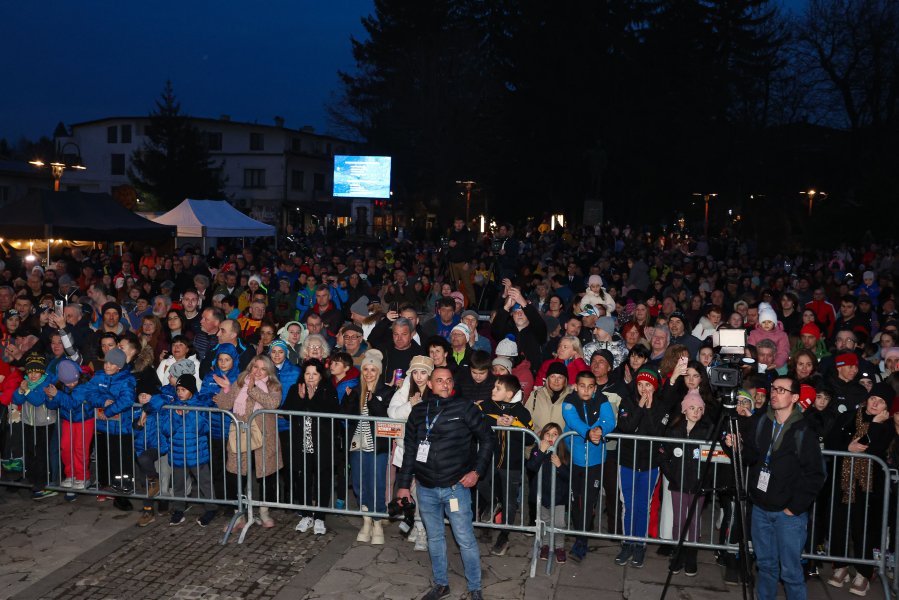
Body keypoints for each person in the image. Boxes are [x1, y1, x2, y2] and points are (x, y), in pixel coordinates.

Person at [396, 367, 494, 600]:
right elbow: (410, 451)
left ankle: (475, 588)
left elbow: (488, 438)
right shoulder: (419, 412)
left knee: (465, 539)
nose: (445, 384)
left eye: (449, 380)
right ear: (429, 384)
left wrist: (476, 472)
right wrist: (402, 485)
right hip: (425, 487)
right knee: (435, 538)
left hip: (455, 488)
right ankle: (441, 584)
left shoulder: (465, 408)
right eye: (439, 380)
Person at [726, 375, 826, 600]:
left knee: (791, 573)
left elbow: (816, 475)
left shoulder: (803, 431)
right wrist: (738, 447)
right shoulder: (763, 422)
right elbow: (752, 456)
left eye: (781, 390)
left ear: (795, 397)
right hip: (761, 509)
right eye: (773, 388)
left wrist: (794, 508)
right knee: (765, 567)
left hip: (788, 516)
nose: (774, 393)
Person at [826, 382, 894, 595]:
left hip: (869, 486)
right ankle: (840, 566)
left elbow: (872, 447)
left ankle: (864, 572)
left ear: (887, 408)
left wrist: (873, 424)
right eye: (873, 398)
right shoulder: (848, 417)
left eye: (881, 401)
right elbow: (831, 440)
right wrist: (847, 447)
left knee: (864, 528)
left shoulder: (887, 425)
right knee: (839, 524)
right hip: (843, 483)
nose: (875, 403)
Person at [212, 356, 284, 529]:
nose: (257, 372)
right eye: (254, 367)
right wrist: (227, 389)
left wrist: (252, 389)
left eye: (262, 369)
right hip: (240, 435)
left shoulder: (273, 386)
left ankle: (264, 511)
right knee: (236, 474)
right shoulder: (240, 383)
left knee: (266, 475)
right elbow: (222, 405)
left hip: (265, 438)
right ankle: (239, 513)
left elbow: (272, 403)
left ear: (269, 372)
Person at [562, 370, 617, 563]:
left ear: (595, 388)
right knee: (575, 500)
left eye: (590, 386)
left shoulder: (602, 400)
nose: (586, 390)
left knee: (588, 500)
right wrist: (589, 433)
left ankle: (581, 541)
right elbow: (573, 421)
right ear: (576, 386)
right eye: (582, 386)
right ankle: (580, 532)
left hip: (594, 462)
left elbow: (610, 420)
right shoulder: (568, 401)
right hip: (574, 460)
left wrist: (600, 430)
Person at [283, 358, 340, 536]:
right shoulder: (295, 388)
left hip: (322, 444)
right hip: (302, 443)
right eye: (307, 373)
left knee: (323, 479)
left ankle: (320, 516)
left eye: (314, 374)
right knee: (303, 479)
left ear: (321, 375)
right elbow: (286, 412)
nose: (310, 377)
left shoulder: (328, 389)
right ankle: (306, 514)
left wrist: (312, 398)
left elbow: (330, 413)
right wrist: (300, 399)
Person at [477, 374, 533, 556]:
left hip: (513, 463)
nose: (493, 390)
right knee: (481, 483)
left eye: (498, 389)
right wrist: (495, 421)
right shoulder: (486, 405)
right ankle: (495, 502)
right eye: (494, 387)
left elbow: (530, 437)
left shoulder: (522, 412)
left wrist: (514, 425)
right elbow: (474, 418)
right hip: (489, 458)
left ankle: (504, 536)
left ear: (509, 394)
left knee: (510, 501)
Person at [659, 389, 711, 576]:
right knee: (679, 521)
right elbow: (663, 455)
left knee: (694, 522)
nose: (695, 412)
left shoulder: (707, 432)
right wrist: (672, 475)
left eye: (699, 408)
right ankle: (678, 554)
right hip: (678, 484)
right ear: (684, 410)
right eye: (691, 407)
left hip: (698, 486)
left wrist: (705, 479)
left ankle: (691, 557)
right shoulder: (674, 431)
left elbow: (712, 460)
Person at [344, 349, 392, 544]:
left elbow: (386, 417)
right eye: (366, 369)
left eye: (373, 369)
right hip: (357, 444)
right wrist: (348, 399)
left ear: (379, 372)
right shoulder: (356, 390)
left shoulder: (387, 391)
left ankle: (378, 522)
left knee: (377, 484)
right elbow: (344, 415)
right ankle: (366, 520)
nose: (369, 373)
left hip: (377, 447)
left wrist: (373, 402)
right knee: (359, 482)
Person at [387, 354, 434, 551]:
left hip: (427, 452)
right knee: (412, 493)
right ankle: (417, 525)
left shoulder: (434, 392)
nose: (419, 377)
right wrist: (410, 405)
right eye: (415, 372)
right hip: (406, 450)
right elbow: (392, 412)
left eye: (423, 372)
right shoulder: (405, 389)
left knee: (421, 492)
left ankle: (423, 530)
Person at [12, 353, 58, 499]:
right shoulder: (26, 383)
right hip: (29, 422)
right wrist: (20, 390)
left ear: (42, 372)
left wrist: (26, 391)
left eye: (36, 371)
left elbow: (37, 400)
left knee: (42, 453)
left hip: (44, 423)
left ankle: (43, 481)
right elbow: (16, 399)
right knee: (30, 451)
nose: (32, 375)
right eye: (30, 371)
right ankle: (32, 478)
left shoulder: (46, 384)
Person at [527, 422, 571, 564]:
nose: (551, 436)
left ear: (560, 437)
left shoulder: (564, 453)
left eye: (555, 434)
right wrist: (541, 451)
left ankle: (559, 547)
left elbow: (569, 477)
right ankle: (545, 544)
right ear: (542, 435)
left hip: (558, 497)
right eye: (547, 433)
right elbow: (532, 467)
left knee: (558, 523)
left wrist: (559, 466)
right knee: (544, 521)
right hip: (542, 495)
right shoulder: (537, 450)